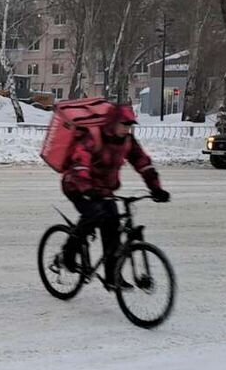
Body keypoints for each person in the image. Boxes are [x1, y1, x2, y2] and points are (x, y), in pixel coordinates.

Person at [61, 104, 170, 288]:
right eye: (124, 124)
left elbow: (143, 163)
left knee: (112, 228)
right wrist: (87, 188)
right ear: (113, 123)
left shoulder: (127, 141)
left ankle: (113, 277)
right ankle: (68, 254)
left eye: (130, 125)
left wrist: (156, 188)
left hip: (103, 190)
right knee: (94, 215)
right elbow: (80, 163)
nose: (127, 128)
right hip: (76, 185)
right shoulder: (93, 136)